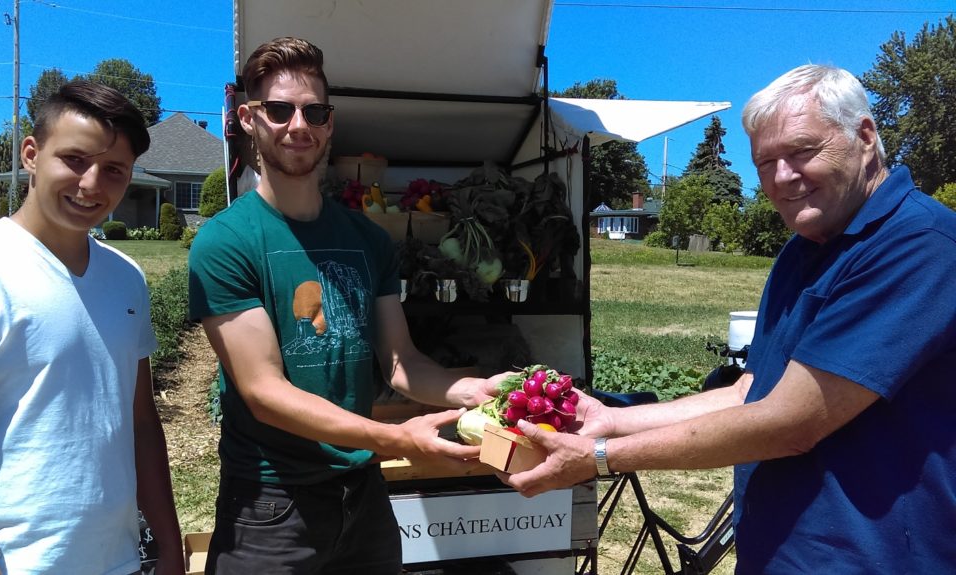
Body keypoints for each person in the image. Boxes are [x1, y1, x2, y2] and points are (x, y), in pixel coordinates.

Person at [502, 64, 956, 573]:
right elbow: (750, 393)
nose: (783, 177)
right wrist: (611, 420)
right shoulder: (804, 248)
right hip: (781, 554)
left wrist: (602, 456)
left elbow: (791, 423)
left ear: (865, 137)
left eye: (802, 151)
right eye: (766, 162)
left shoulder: (918, 245)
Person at [187, 37, 508, 574]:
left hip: (363, 498)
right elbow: (265, 393)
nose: (298, 125)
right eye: (279, 109)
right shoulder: (227, 242)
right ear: (248, 119)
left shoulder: (369, 240)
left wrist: (471, 389)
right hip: (272, 505)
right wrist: (395, 438)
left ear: (330, 123)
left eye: (315, 111)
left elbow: (401, 362)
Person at [0, 81, 184, 575]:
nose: (92, 183)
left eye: (114, 170)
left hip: (118, 561)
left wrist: (170, 549)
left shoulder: (125, 278)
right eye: (74, 159)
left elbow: (141, 425)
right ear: (31, 153)